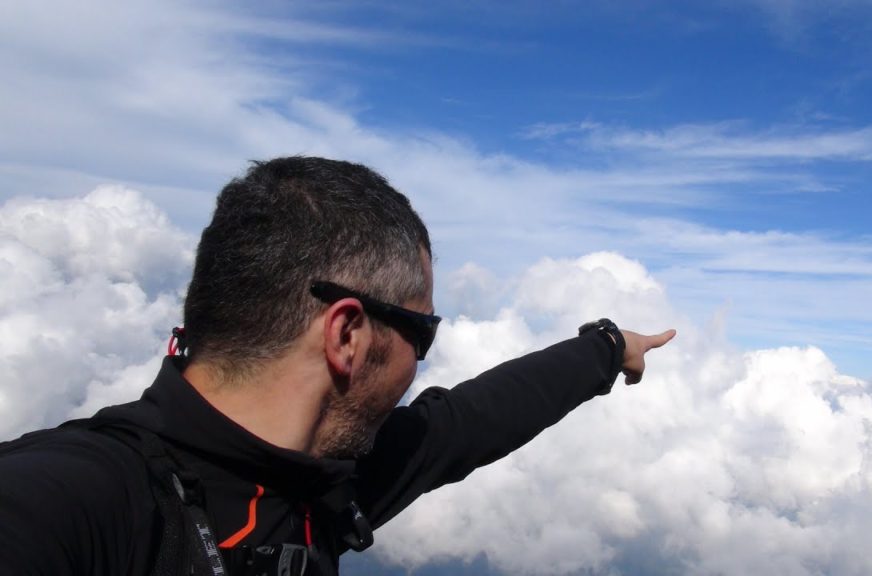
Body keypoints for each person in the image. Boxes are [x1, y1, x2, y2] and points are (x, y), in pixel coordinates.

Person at [0, 156, 675, 575]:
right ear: (348, 334)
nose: (422, 361)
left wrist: (609, 349)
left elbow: (473, 420)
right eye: (424, 329)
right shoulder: (69, 503)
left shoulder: (319, 475)